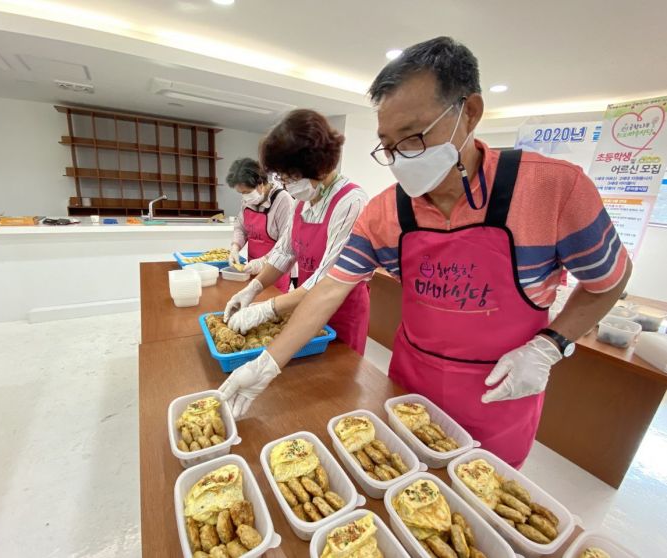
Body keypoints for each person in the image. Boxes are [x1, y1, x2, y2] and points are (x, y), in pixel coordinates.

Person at [219, 37, 632, 468]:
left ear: (468, 113)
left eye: (413, 136)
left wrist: (550, 346)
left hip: (500, 395)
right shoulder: (385, 213)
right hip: (409, 389)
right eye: (387, 144)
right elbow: (328, 289)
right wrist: (267, 364)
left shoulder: (554, 189)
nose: (400, 158)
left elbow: (609, 280)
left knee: (482, 513)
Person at [222, 109, 370, 355]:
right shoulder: (302, 201)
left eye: (289, 177)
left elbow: (327, 280)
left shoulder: (351, 202)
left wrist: (267, 309)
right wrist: (253, 288)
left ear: (319, 167)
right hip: (305, 304)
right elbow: (283, 253)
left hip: (341, 311)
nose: (285, 184)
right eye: (281, 177)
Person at [227, 157, 294, 293]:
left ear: (261, 183)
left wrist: (263, 262)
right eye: (241, 193)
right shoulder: (248, 201)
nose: (244, 197)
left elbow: (286, 242)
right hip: (252, 269)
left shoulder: (283, 200)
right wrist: (235, 247)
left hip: (275, 271)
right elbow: (241, 227)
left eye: (246, 192)